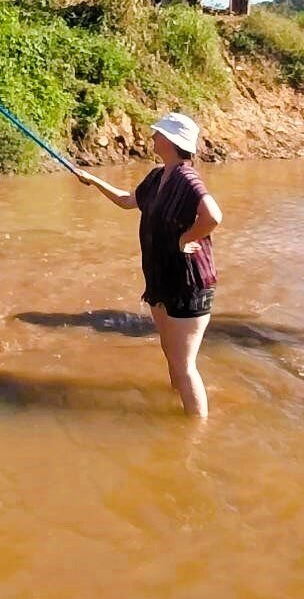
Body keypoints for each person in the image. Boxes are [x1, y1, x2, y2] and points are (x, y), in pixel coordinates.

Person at [76, 112, 222, 416]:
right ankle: (176, 410)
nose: (152, 137)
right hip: (162, 280)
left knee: (184, 367)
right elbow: (128, 201)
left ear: (170, 141)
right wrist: (93, 180)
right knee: (172, 356)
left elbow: (214, 216)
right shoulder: (158, 176)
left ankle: (195, 436)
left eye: (158, 133)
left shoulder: (186, 177)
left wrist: (186, 238)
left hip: (189, 284)